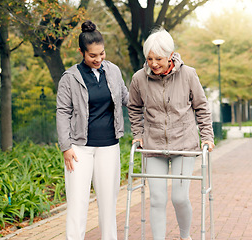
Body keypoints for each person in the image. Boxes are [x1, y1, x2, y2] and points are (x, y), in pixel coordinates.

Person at [127, 28, 215, 240]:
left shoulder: (188, 74)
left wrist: (207, 136)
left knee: (179, 197)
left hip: (183, 144)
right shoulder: (139, 78)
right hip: (153, 145)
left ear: (170, 55)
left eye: (158, 58)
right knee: (157, 198)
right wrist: (138, 133)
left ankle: (185, 236)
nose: (154, 63)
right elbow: (133, 107)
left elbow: (201, 107)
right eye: (149, 58)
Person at [56, 20, 129, 240]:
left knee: (108, 203)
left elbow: (127, 98)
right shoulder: (70, 78)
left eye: (101, 54)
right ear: (81, 52)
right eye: (92, 56)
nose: (98, 59)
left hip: (109, 146)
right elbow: (62, 112)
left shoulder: (113, 71)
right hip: (79, 149)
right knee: (78, 203)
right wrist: (66, 147)